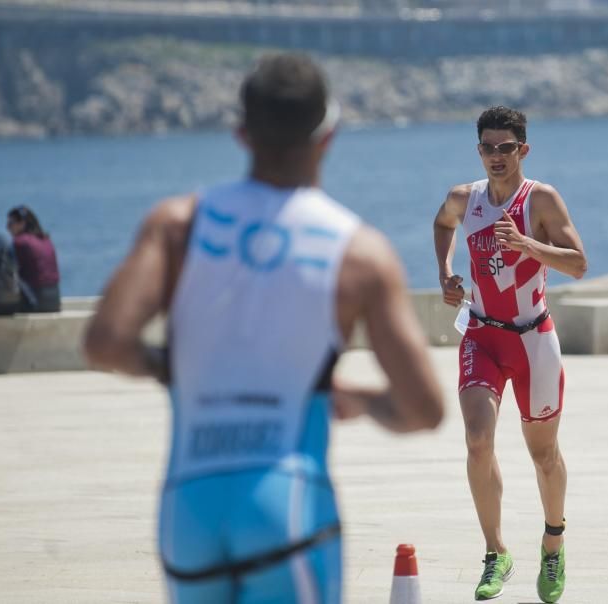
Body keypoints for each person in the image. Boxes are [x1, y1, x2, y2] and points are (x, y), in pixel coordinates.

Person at [83, 53, 445, 604]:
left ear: (241, 133)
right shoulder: (358, 252)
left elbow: (106, 342)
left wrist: (167, 367)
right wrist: (360, 401)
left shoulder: (176, 225)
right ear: (329, 135)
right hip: (286, 504)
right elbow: (424, 408)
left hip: (189, 503)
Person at [432, 106, 587, 602]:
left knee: (543, 454)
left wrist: (527, 244)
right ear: (477, 150)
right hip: (482, 336)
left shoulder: (540, 199)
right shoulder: (464, 198)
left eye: (506, 148)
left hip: (534, 341)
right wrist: (446, 273)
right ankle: (496, 552)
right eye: (487, 148)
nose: (496, 157)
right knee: (478, 440)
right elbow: (442, 223)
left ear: (523, 149)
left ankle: (553, 541)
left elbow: (579, 264)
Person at [7, 205, 61, 312]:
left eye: (10, 223)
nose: (7, 227)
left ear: (22, 223)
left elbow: (10, 273)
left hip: (36, 302)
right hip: (55, 300)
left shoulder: (19, 242)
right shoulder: (46, 240)